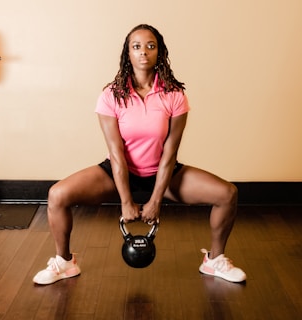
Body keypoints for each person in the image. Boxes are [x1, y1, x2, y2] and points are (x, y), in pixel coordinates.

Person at [33, 24, 246, 285]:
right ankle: (64, 262)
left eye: (150, 46)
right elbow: (116, 152)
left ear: (159, 52)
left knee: (227, 194)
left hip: (162, 173)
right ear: (128, 54)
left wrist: (156, 199)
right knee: (57, 195)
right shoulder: (111, 95)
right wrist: (125, 201)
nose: (143, 52)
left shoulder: (174, 95)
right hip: (118, 173)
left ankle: (215, 260)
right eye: (136, 46)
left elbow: (170, 153)